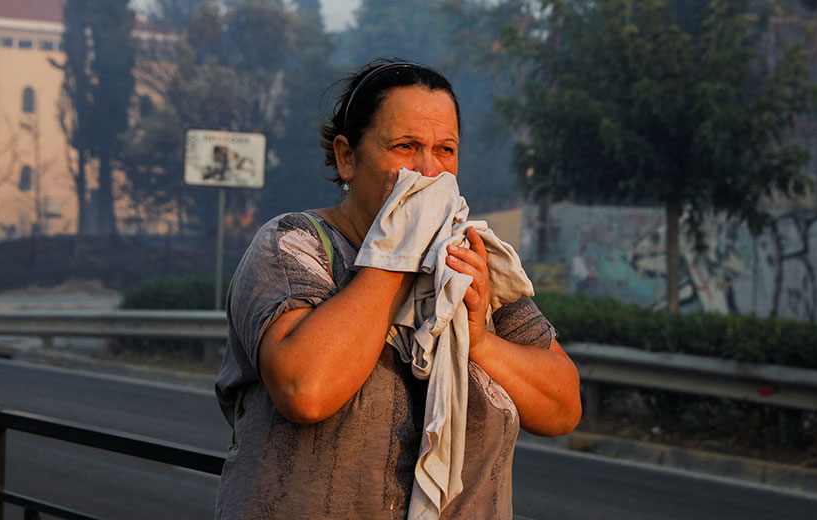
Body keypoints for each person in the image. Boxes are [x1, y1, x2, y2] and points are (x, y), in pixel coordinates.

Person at [214, 59, 581, 519]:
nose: (428, 171)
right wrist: (398, 254)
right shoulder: (294, 244)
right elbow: (305, 389)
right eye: (406, 147)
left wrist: (481, 343)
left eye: (444, 150)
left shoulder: (469, 257)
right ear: (348, 157)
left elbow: (563, 407)